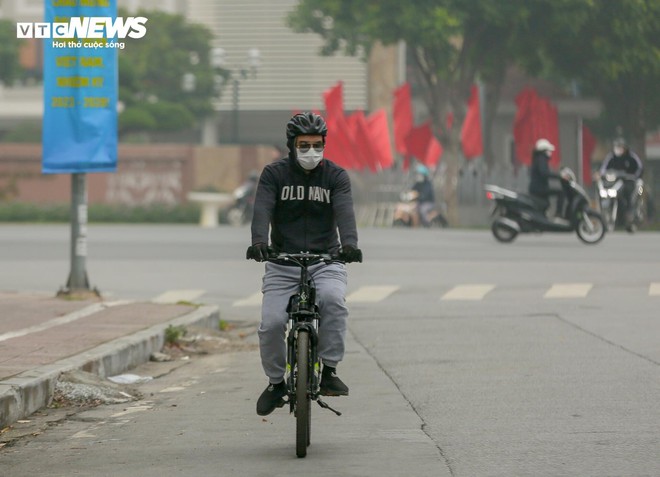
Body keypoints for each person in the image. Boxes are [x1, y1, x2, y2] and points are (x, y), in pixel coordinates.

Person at [246, 112, 363, 417]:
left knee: (333, 301)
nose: (311, 151)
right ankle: (275, 384)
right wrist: (259, 242)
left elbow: (344, 212)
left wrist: (350, 244)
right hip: (283, 261)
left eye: (316, 144)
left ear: (324, 144)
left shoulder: (336, 176)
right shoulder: (274, 174)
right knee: (270, 324)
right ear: (292, 146)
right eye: (304, 145)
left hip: (327, 260)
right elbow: (262, 209)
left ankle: (329, 371)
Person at [598, 138, 643, 224]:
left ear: (625, 148)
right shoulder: (611, 157)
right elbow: (603, 168)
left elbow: (639, 168)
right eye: (617, 146)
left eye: (620, 147)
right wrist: (602, 174)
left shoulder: (631, 156)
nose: (618, 149)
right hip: (614, 182)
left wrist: (634, 176)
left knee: (629, 193)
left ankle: (630, 212)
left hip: (629, 181)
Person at [528, 138, 565, 217]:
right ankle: (558, 214)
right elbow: (544, 173)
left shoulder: (538, 159)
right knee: (561, 192)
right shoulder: (541, 159)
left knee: (546, 203)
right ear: (544, 151)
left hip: (537, 188)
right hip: (539, 189)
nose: (550, 153)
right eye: (549, 150)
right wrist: (559, 176)